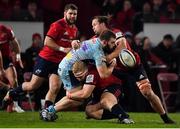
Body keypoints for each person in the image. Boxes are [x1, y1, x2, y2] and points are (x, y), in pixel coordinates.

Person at [89, 16, 174, 124]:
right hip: (117, 72)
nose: (93, 27)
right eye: (92, 25)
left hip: (134, 67)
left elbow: (123, 46)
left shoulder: (116, 32)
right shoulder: (94, 40)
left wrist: (108, 58)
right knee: (95, 105)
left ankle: (165, 118)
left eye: (94, 24)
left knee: (147, 92)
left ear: (102, 24)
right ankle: (120, 114)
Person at [2, 3, 79, 109]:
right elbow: (47, 41)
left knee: (55, 87)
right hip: (46, 59)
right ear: (65, 13)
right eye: (70, 13)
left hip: (59, 62)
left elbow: (68, 44)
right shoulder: (57, 25)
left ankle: (47, 111)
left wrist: (74, 45)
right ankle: (11, 94)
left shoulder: (74, 29)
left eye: (75, 14)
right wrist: (62, 49)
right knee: (33, 85)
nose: (73, 16)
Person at [39, 30, 117, 121]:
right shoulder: (98, 51)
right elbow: (103, 75)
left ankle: (48, 110)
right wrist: (112, 65)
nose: (114, 45)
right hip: (68, 69)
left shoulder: (95, 40)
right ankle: (49, 110)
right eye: (112, 43)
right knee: (77, 99)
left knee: (77, 97)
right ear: (104, 42)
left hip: (66, 66)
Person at [0, 24, 24, 113]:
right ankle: (7, 89)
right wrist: (1, 70)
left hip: (6, 59)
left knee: (14, 81)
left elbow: (15, 43)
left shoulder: (7, 31)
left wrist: (18, 57)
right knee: (7, 86)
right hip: (1, 60)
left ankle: (15, 105)